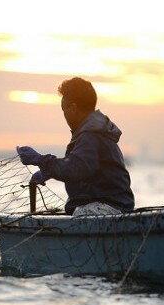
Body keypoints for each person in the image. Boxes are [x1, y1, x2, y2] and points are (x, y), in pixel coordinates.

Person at [17, 77, 135, 216]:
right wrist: (48, 171)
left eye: (63, 109)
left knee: (79, 213)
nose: (64, 115)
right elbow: (80, 165)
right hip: (115, 204)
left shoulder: (90, 135)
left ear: (73, 108)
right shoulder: (96, 131)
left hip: (110, 207)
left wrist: (40, 160)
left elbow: (76, 168)